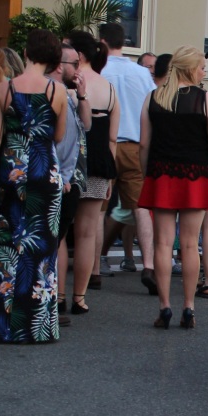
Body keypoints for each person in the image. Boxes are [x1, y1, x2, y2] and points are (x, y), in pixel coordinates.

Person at [0, 29, 67, 344]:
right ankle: (37, 327)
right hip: (45, 171)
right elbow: (57, 136)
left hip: (11, 168)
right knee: (41, 250)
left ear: (26, 53)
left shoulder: (5, 88)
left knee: (7, 244)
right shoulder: (58, 91)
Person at [138, 46, 208, 329]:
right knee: (190, 244)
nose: (204, 71)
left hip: (162, 174)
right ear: (191, 68)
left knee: (163, 244)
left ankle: (164, 307)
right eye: (202, 67)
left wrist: (146, 173)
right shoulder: (207, 100)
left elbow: (144, 144)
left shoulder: (153, 98)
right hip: (196, 175)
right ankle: (188, 306)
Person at [99, 23, 158, 295]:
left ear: (102, 42)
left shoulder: (99, 71)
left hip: (105, 144)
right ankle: (148, 265)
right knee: (141, 208)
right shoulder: (141, 74)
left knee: (98, 207)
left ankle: (96, 265)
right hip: (135, 144)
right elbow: (150, 108)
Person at [65, 31, 117, 301]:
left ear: (78, 55)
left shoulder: (70, 83)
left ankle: (58, 295)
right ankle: (80, 296)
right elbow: (112, 138)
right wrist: (111, 177)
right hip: (99, 161)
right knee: (87, 232)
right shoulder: (108, 87)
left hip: (71, 159)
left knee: (61, 231)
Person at [48, 40, 91, 323]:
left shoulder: (70, 94)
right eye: (73, 63)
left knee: (59, 236)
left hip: (71, 176)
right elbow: (59, 140)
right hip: (62, 176)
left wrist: (83, 95)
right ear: (58, 65)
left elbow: (86, 126)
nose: (78, 69)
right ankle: (53, 300)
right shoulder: (55, 92)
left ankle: (56, 299)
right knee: (54, 238)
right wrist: (63, 175)